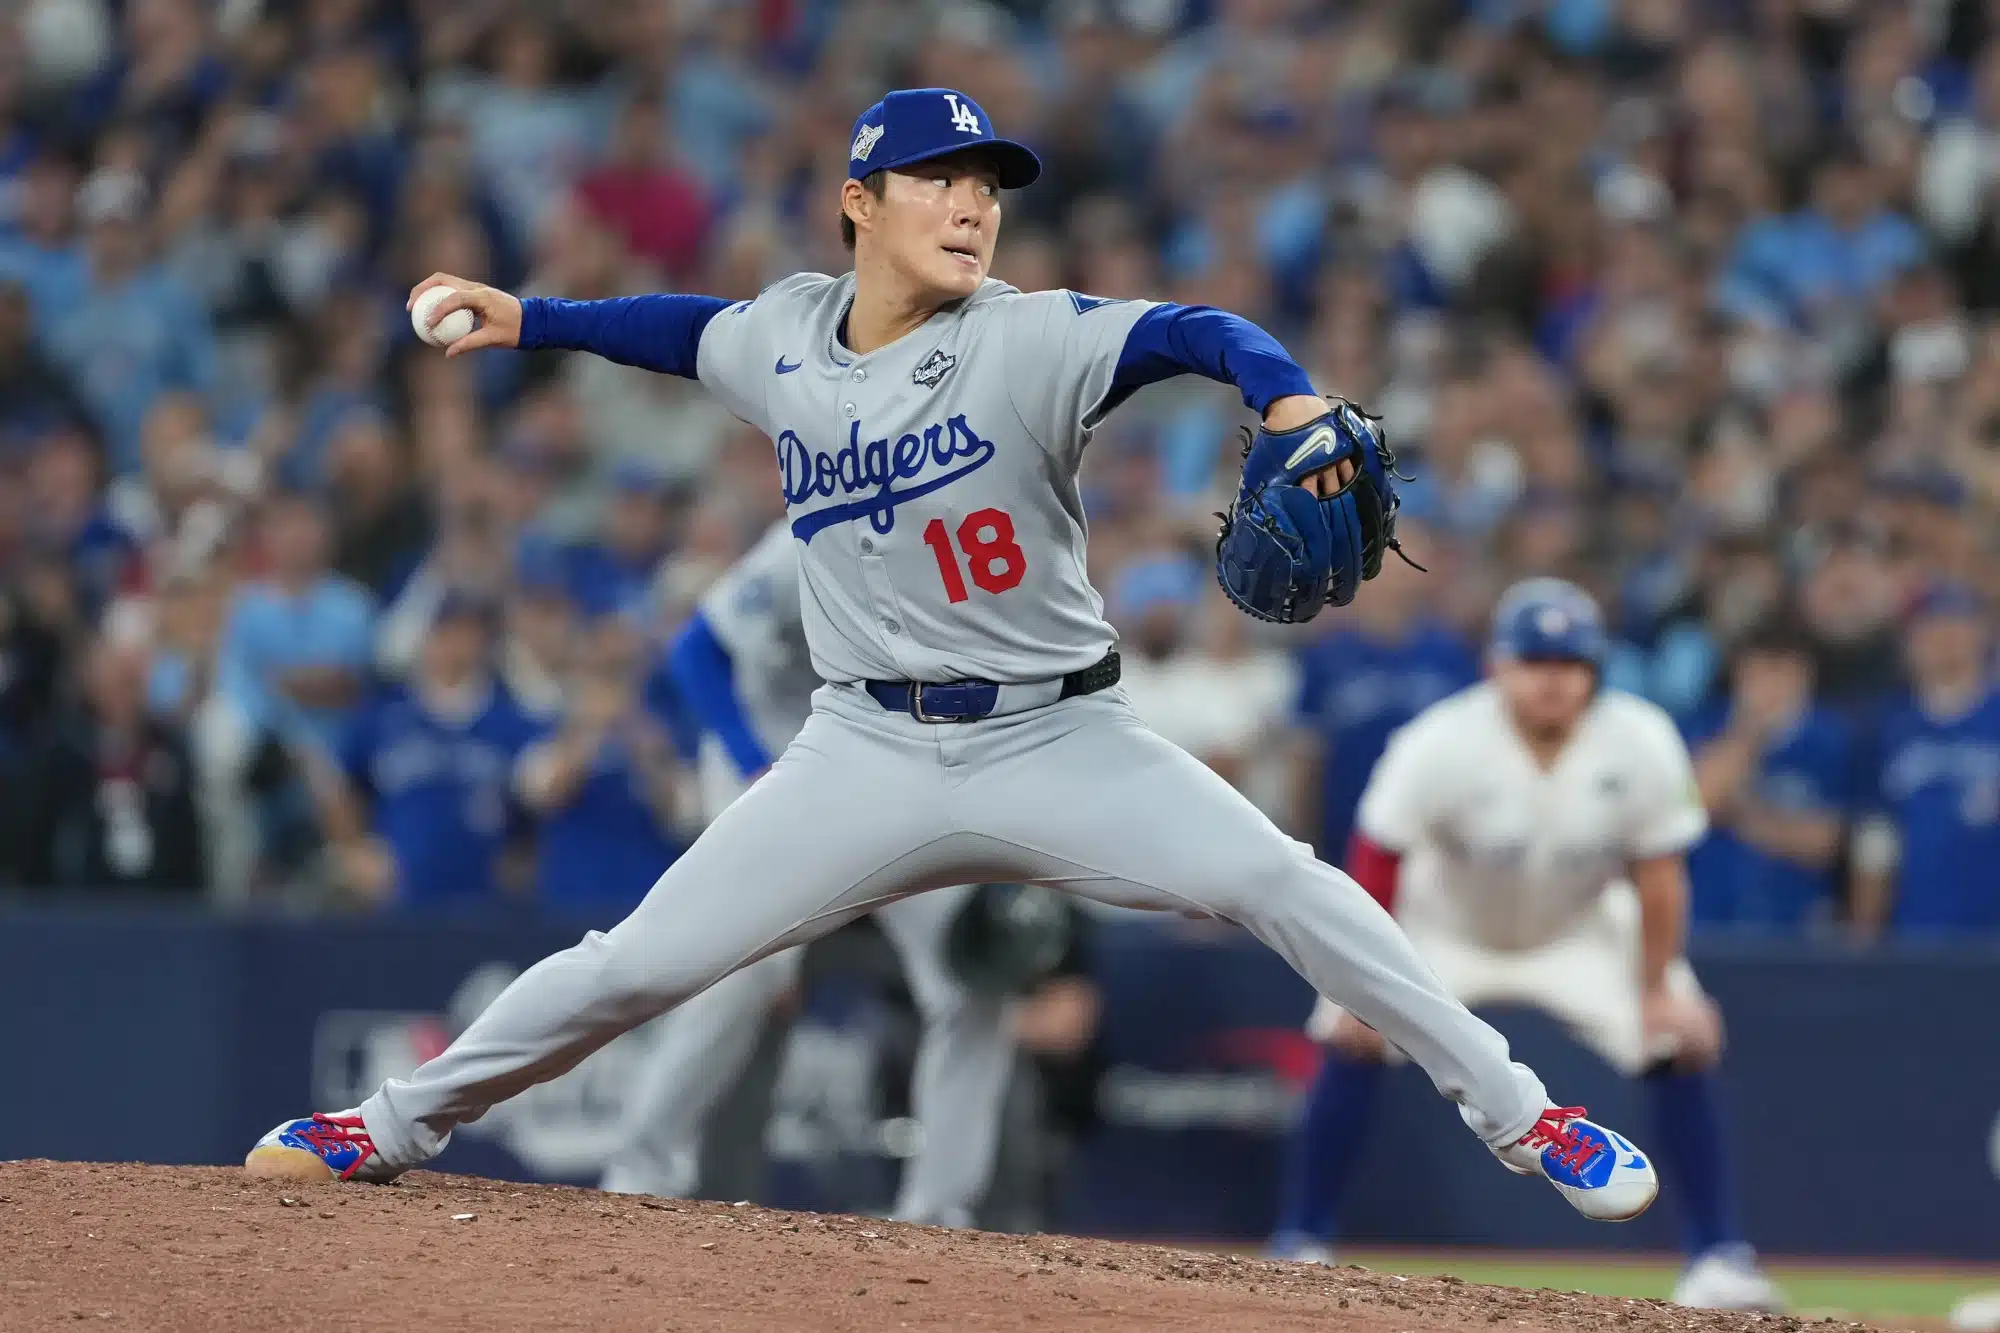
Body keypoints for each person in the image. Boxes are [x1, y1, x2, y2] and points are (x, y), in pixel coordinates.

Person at [246, 87, 1657, 1226]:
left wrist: (1283, 394)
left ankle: (1528, 1117)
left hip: (1059, 738)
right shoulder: (784, 334)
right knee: (634, 966)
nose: (974, 203)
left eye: (987, 183)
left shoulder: (1026, 338)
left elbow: (1194, 331)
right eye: (938, 178)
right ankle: (384, 1126)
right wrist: (530, 315)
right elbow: (683, 333)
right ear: (859, 201)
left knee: (1284, 884)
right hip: (860, 748)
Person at [1268, 579, 1779, 1311]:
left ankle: (1718, 1255)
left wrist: (1659, 985)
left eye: (1569, 663)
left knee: (1682, 1036)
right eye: (1534, 660)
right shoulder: (1441, 739)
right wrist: (1355, 986)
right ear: (1497, 666)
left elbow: (1660, 877)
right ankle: (1302, 1237)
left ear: (1595, 671)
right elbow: (1377, 860)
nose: (1551, 679)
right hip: (1445, 928)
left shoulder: (1641, 738)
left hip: (1580, 931)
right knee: (1347, 1032)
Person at [594, 519, 1013, 1228]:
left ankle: (940, 1209)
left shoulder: (969, 551)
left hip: (887, 768)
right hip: (771, 752)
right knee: (742, 972)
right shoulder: (820, 537)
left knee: (971, 966)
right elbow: (698, 652)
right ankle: (640, 1171)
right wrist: (751, 761)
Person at [315, 590, 539, 909]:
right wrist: (355, 850)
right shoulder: (386, 715)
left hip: (487, 900)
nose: (458, 644)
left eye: (470, 632)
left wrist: (523, 861)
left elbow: (537, 801)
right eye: (448, 631)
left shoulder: (510, 721)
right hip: (402, 897)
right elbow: (338, 785)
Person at [1684, 621, 1854, 932]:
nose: (1771, 686)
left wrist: (1741, 815)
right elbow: (1693, 806)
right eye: (1760, 671)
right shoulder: (1703, 725)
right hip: (1709, 919)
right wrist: (1749, 732)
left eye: (1783, 672)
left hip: (1794, 926)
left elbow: (1823, 844)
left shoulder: (1830, 740)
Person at [1851, 584, 2000, 939]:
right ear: (1910, 640)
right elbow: (1875, 838)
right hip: (1913, 931)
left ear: (1982, 633)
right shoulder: (1885, 726)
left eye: (1958, 623)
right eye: (1933, 625)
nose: (1946, 637)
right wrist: (1864, 930)